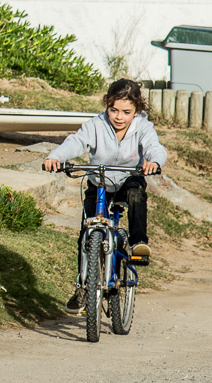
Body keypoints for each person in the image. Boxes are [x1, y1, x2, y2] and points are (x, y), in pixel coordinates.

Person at [43, 78, 166, 310]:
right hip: (99, 182)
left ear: (137, 111)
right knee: (87, 234)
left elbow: (154, 147)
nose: (119, 117)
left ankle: (138, 242)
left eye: (126, 112)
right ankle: (83, 286)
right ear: (107, 105)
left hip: (128, 177)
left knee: (137, 193)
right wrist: (55, 157)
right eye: (114, 110)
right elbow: (76, 142)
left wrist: (154, 161)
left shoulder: (143, 127)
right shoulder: (96, 125)